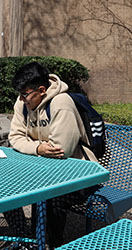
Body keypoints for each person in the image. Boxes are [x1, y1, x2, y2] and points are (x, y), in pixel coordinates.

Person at [6, 62, 97, 248]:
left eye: (25, 95)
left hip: (78, 175)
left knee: (51, 198)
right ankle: (27, 239)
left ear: (41, 90)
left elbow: (61, 150)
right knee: (7, 189)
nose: (22, 100)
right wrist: (38, 148)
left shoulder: (61, 103)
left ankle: (52, 244)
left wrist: (28, 145)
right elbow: (14, 137)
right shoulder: (22, 103)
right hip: (39, 170)